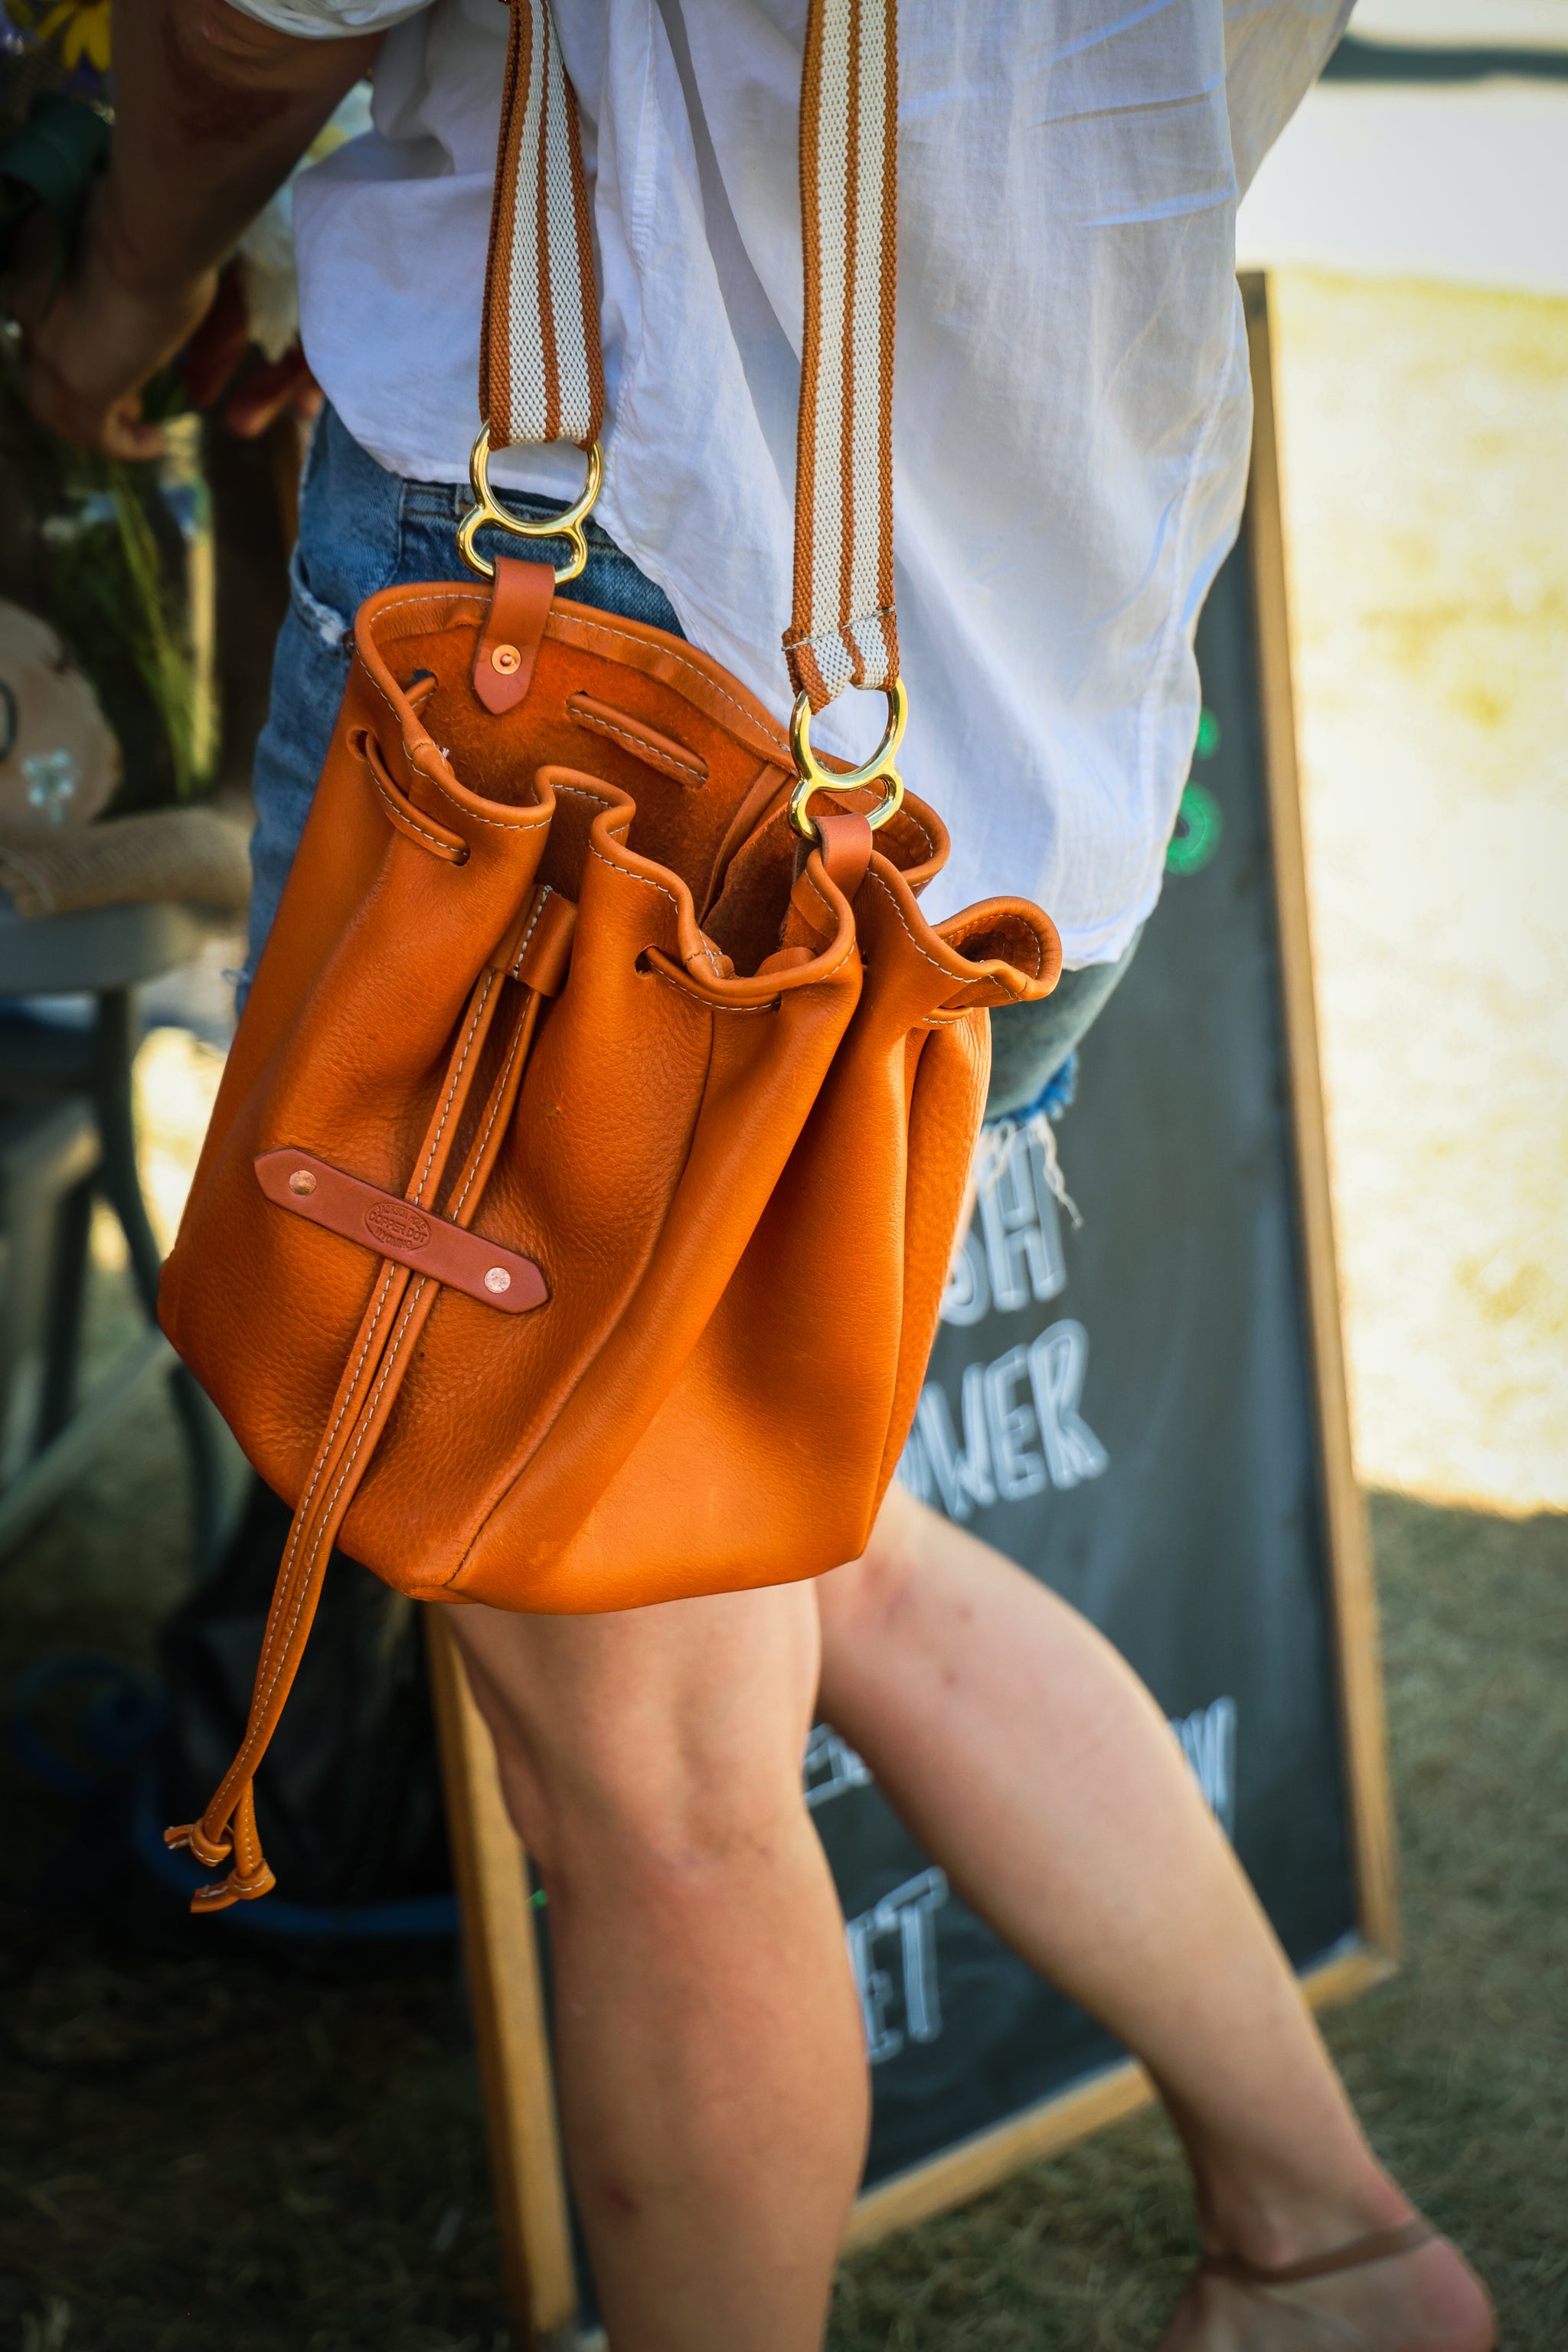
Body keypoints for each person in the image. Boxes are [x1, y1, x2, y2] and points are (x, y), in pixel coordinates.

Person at [9, 5, 1497, 2348]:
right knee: (803, 1550)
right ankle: (1325, 2243)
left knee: (653, 1780)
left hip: (617, 674)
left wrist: (119, 278)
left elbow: (244, 26)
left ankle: (1321, 2251)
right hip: (1031, 685)